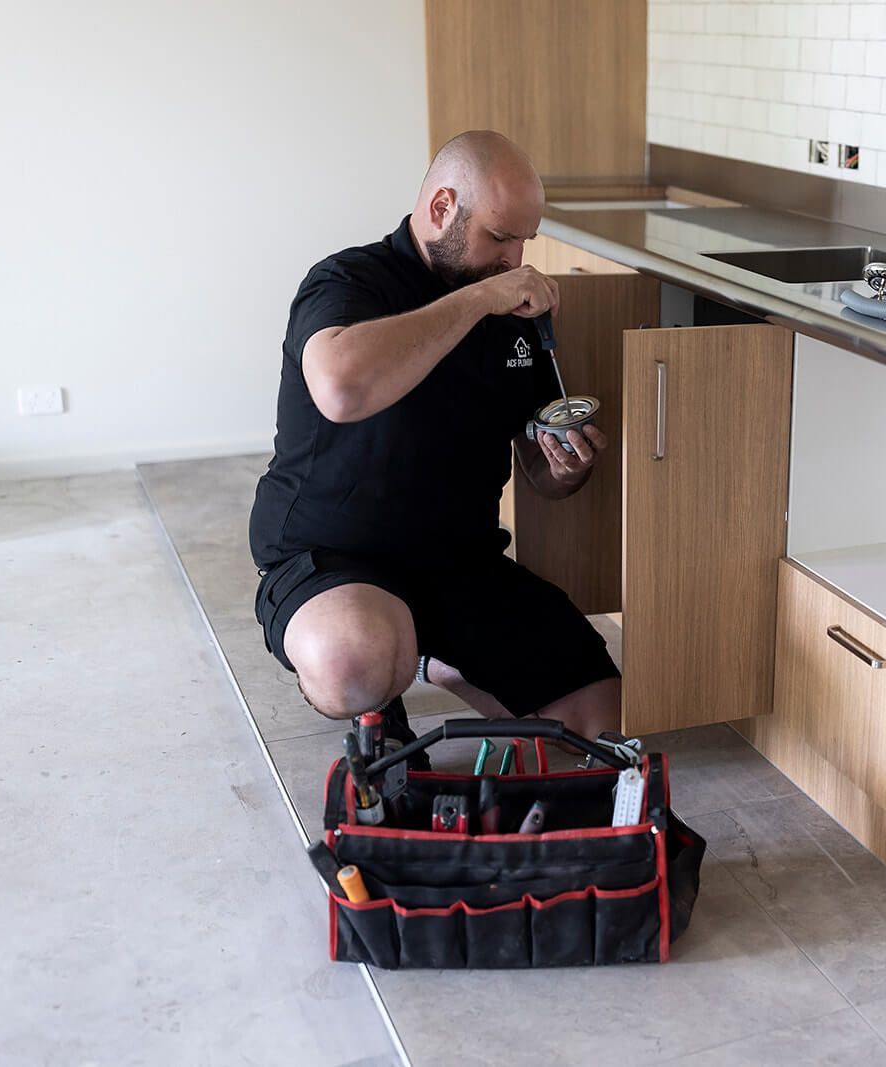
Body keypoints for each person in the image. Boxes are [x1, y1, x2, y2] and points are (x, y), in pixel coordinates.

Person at [248, 130, 620, 757]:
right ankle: (386, 679)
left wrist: (565, 466)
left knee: (599, 723)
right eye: (500, 237)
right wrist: (479, 299)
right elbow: (342, 389)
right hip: (334, 559)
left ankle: (435, 657)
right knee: (355, 662)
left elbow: (537, 464)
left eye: (525, 239)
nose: (514, 258)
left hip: (460, 564)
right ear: (442, 208)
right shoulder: (349, 281)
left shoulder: (513, 313)